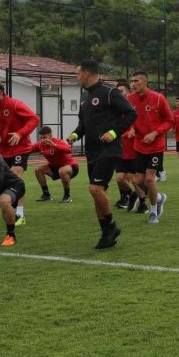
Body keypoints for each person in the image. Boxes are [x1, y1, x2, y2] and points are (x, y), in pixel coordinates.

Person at [68, 60, 137, 247]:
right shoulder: (84, 97)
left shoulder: (109, 93)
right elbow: (83, 126)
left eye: (77, 74)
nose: (77, 77)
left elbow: (131, 113)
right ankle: (106, 234)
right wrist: (74, 135)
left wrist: (114, 132)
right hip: (92, 151)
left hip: (109, 150)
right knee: (97, 192)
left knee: (95, 189)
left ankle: (111, 226)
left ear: (87, 74)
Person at [0, 81, 40, 225]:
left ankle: (20, 215)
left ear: (1, 92)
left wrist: (20, 133)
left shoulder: (15, 104)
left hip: (21, 148)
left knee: (15, 178)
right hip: (4, 150)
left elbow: (34, 119)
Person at [127, 71, 173, 224]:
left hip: (155, 146)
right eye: (131, 81)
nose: (133, 84)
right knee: (138, 181)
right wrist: (131, 129)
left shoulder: (158, 98)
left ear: (145, 82)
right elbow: (129, 119)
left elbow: (169, 120)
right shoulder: (130, 99)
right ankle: (159, 198)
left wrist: (155, 133)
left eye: (136, 81)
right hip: (139, 146)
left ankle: (153, 212)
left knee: (149, 179)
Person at [113, 79, 144, 212]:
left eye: (121, 91)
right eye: (117, 91)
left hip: (134, 150)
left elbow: (141, 124)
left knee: (133, 179)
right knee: (120, 178)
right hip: (120, 150)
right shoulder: (115, 109)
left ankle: (143, 203)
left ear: (128, 93)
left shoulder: (133, 108)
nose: (119, 94)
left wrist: (133, 130)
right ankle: (130, 195)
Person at [34, 126, 78, 203]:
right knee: (38, 169)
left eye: (45, 137)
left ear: (50, 136)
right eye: (41, 137)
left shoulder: (58, 141)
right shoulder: (40, 144)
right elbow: (28, 149)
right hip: (55, 167)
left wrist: (54, 145)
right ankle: (46, 195)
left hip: (71, 167)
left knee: (62, 170)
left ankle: (67, 196)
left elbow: (69, 150)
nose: (42, 140)